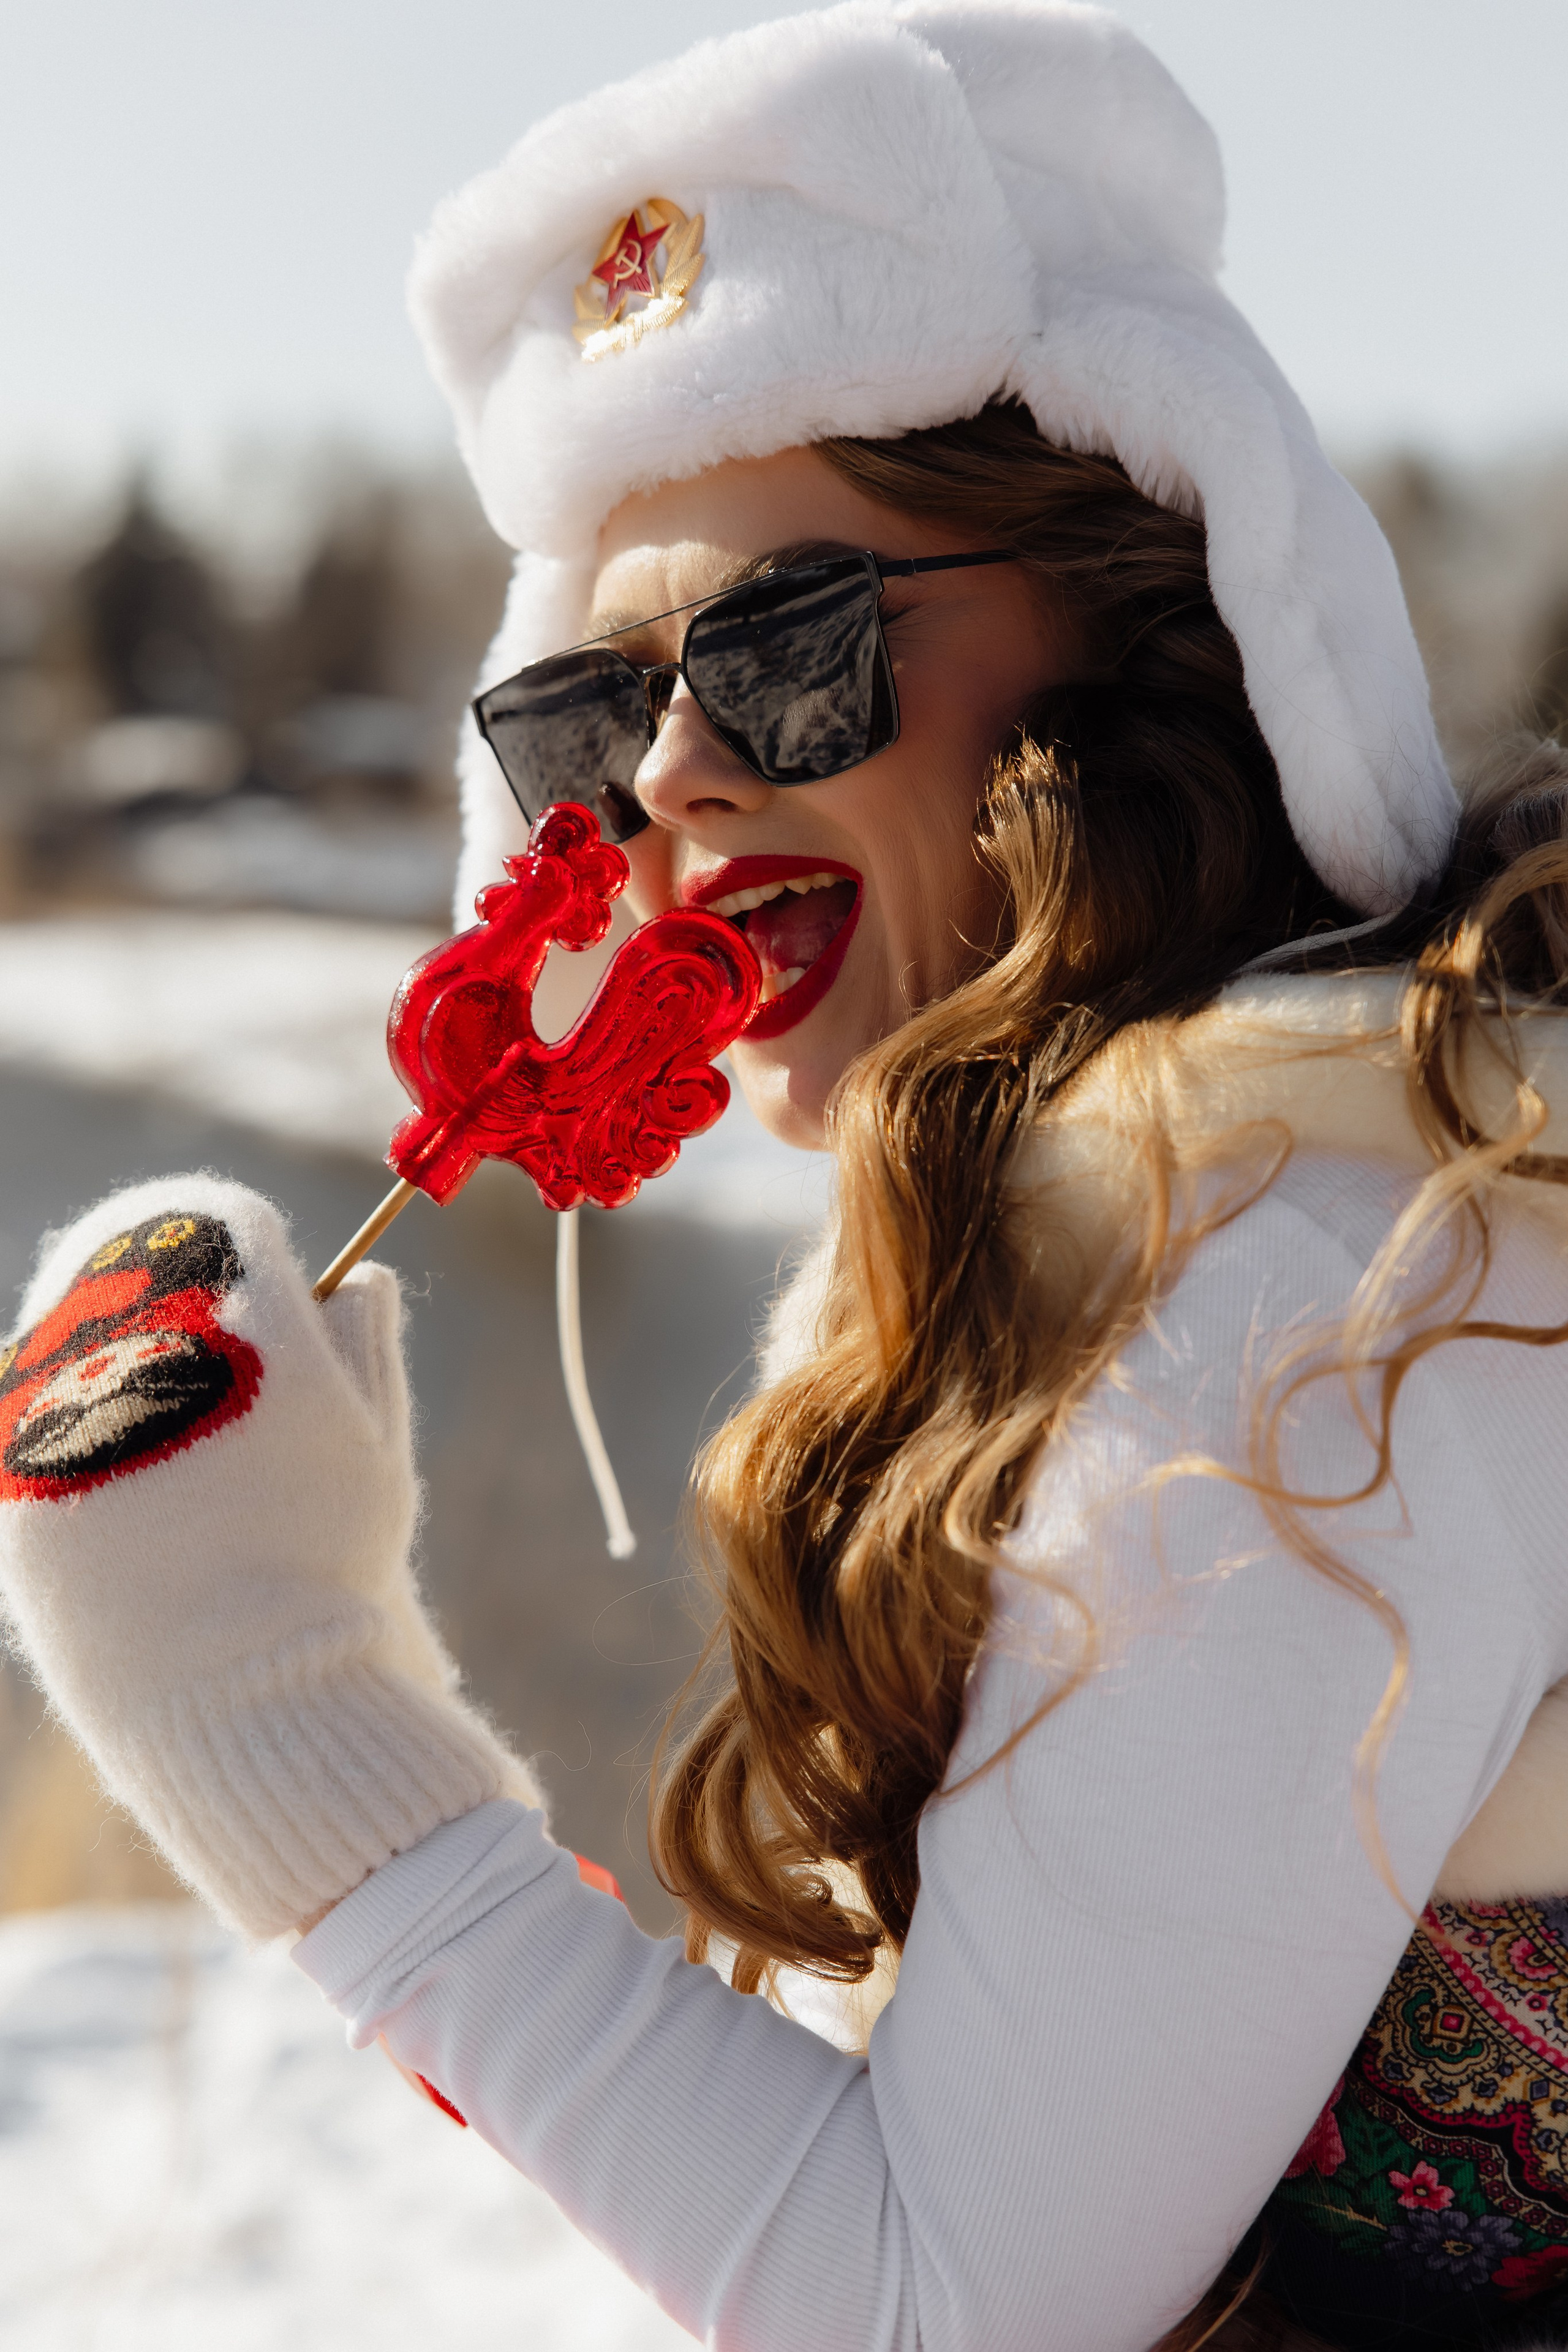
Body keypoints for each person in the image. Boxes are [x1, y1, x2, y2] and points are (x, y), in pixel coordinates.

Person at [5, 6, 1568, 2346]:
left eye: (786, 649)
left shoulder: (1322, 1311)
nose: (665, 786)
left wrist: (274, 1708)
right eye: (583, 716)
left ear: (1157, 631)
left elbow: (938, 2307)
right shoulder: (1267, 1217)